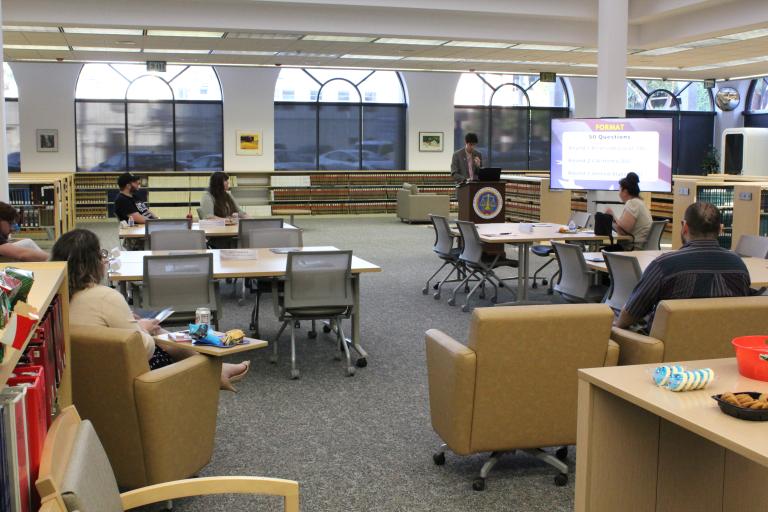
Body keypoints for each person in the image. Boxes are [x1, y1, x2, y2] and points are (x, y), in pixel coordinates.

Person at [51, 229, 251, 392]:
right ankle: (217, 372)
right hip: (127, 374)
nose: (105, 260)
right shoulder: (104, 297)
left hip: (83, 374)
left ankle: (220, 371)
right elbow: (144, 349)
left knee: (156, 331)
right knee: (157, 336)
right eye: (101, 255)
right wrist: (143, 328)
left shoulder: (56, 296)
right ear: (91, 263)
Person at [616, 202, 751, 330]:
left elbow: (630, 314)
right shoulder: (739, 266)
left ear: (684, 227)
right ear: (720, 229)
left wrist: (616, 326)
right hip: (726, 348)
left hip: (669, 349)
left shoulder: (664, 265)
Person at [604, 172, 653, 250]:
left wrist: (612, 215)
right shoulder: (639, 202)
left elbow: (623, 231)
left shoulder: (633, 203)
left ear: (625, 191)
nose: (619, 193)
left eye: (620, 190)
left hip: (632, 247)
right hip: (641, 246)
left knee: (601, 252)